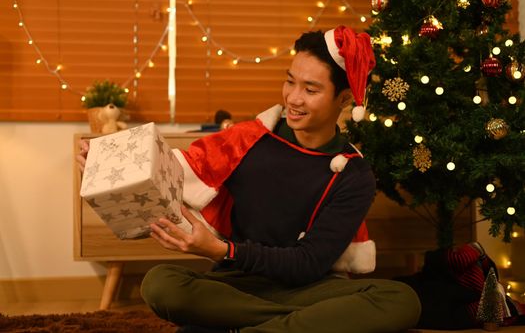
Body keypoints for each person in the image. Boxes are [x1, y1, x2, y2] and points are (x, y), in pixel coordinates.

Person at [77, 26, 421, 333]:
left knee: (400, 299)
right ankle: (290, 327)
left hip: (308, 288)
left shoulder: (353, 174)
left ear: (344, 99)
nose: (293, 98)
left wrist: (222, 249)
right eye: (290, 81)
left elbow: (308, 264)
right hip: (235, 283)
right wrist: (106, 161)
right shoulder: (250, 139)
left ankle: (246, 327)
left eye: (311, 89)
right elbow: (171, 172)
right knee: (159, 283)